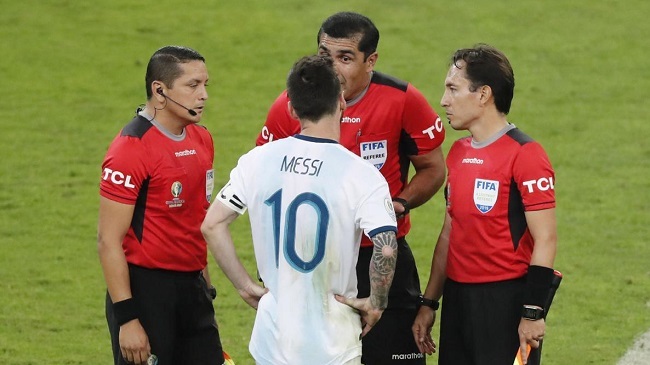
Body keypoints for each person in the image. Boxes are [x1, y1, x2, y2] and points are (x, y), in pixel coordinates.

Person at [255, 12, 446, 364]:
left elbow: (434, 168)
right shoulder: (290, 106)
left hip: (379, 255)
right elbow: (265, 179)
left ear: (370, 60)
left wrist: (399, 204)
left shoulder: (402, 100)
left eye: (345, 58)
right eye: (325, 56)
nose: (333, 68)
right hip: (314, 262)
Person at [201, 55, 399, 365]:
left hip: (273, 340)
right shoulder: (362, 175)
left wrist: (245, 287)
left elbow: (212, 225)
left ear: (292, 108)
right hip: (335, 343)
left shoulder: (257, 160)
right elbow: (385, 249)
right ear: (341, 101)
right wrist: (377, 302)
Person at [412, 44, 558, 365]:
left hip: (506, 303)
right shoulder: (459, 152)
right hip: (458, 301)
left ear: (483, 95)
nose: (443, 101)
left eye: (453, 88)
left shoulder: (526, 155)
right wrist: (429, 303)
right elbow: (450, 233)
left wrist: (532, 312)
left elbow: (546, 238)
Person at [97, 45, 224, 365]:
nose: (204, 95)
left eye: (205, 84)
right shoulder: (130, 149)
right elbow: (108, 241)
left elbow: (195, 217)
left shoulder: (202, 139)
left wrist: (205, 288)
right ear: (160, 91)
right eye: (193, 85)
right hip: (145, 292)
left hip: (193, 290)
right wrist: (127, 319)